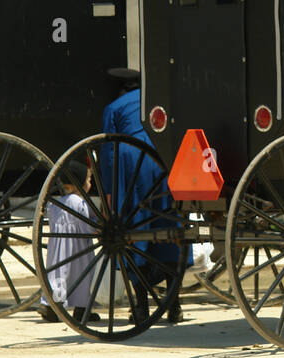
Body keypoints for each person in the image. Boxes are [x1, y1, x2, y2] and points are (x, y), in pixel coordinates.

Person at [101, 67, 189, 323]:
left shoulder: (114, 108)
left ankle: (140, 306)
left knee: (132, 233)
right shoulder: (157, 104)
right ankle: (174, 305)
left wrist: (109, 194)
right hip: (164, 161)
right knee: (169, 226)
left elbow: (107, 154)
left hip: (132, 165)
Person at [35, 160, 101, 325]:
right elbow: (86, 227)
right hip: (78, 248)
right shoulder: (78, 202)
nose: (90, 183)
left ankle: (52, 304)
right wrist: (98, 228)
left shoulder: (58, 202)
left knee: (58, 275)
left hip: (58, 247)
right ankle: (80, 308)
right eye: (88, 180)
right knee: (83, 276)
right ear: (79, 182)